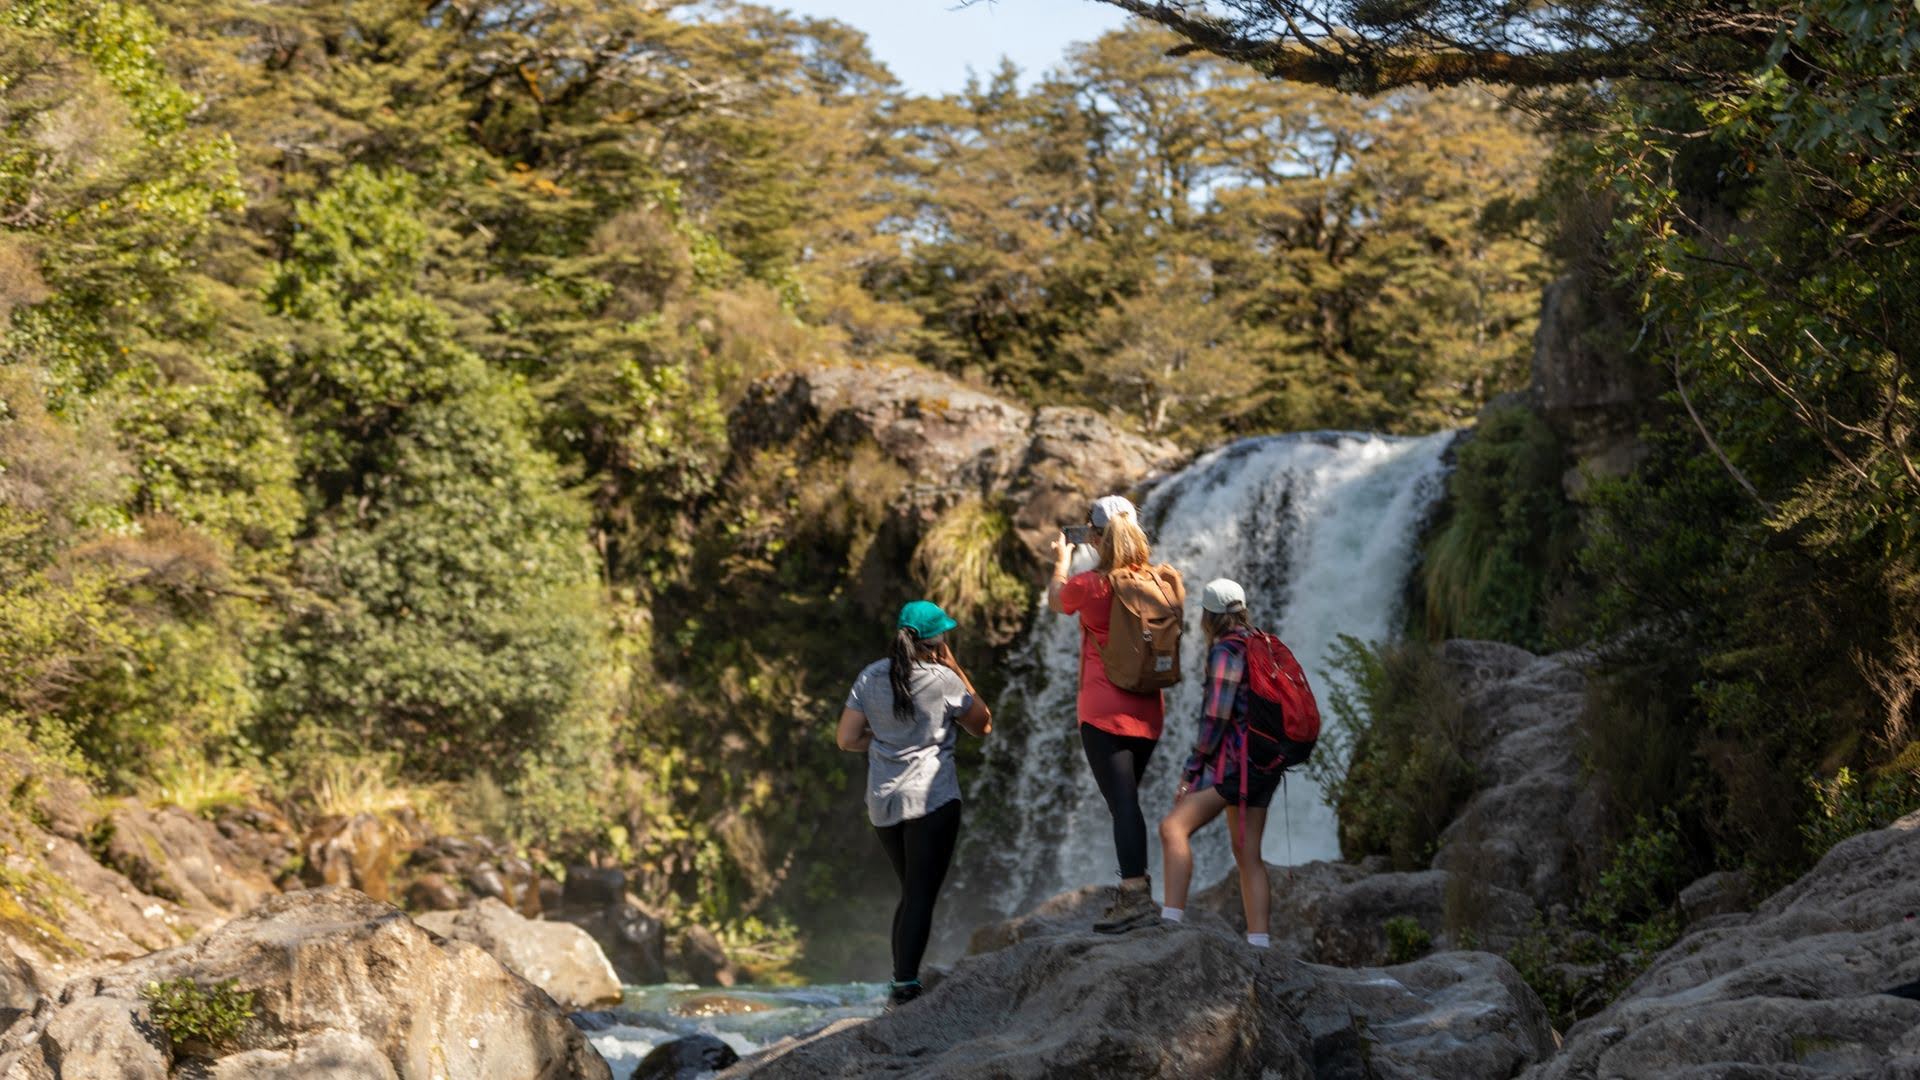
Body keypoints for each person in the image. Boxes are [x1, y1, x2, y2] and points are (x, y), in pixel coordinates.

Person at [837, 599, 992, 1009]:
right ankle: (904, 987)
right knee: (920, 894)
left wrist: (887, 742)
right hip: (932, 800)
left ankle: (899, 979)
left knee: (911, 891)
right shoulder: (944, 679)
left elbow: (847, 739)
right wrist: (956, 668)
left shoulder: (870, 677)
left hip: (884, 804)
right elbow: (983, 724)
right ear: (937, 641)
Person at [1048, 495, 1171, 934]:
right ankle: (1136, 892)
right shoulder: (1159, 579)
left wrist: (1061, 561)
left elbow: (1057, 602)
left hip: (1104, 713)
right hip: (1149, 711)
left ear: (1097, 537)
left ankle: (1135, 898)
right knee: (1127, 803)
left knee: (1123, 805)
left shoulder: (1091, 585)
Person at [1157, 578, 1276, 949]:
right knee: (1247, 853)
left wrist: (1193, 769)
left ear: (1208, 617)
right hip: (1266, 762)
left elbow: (1216, 718)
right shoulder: (1262, 644)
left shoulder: (1226, 651)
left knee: (1172, 828)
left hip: (1235, 767)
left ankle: (1170, 924)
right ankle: (1259, 943)